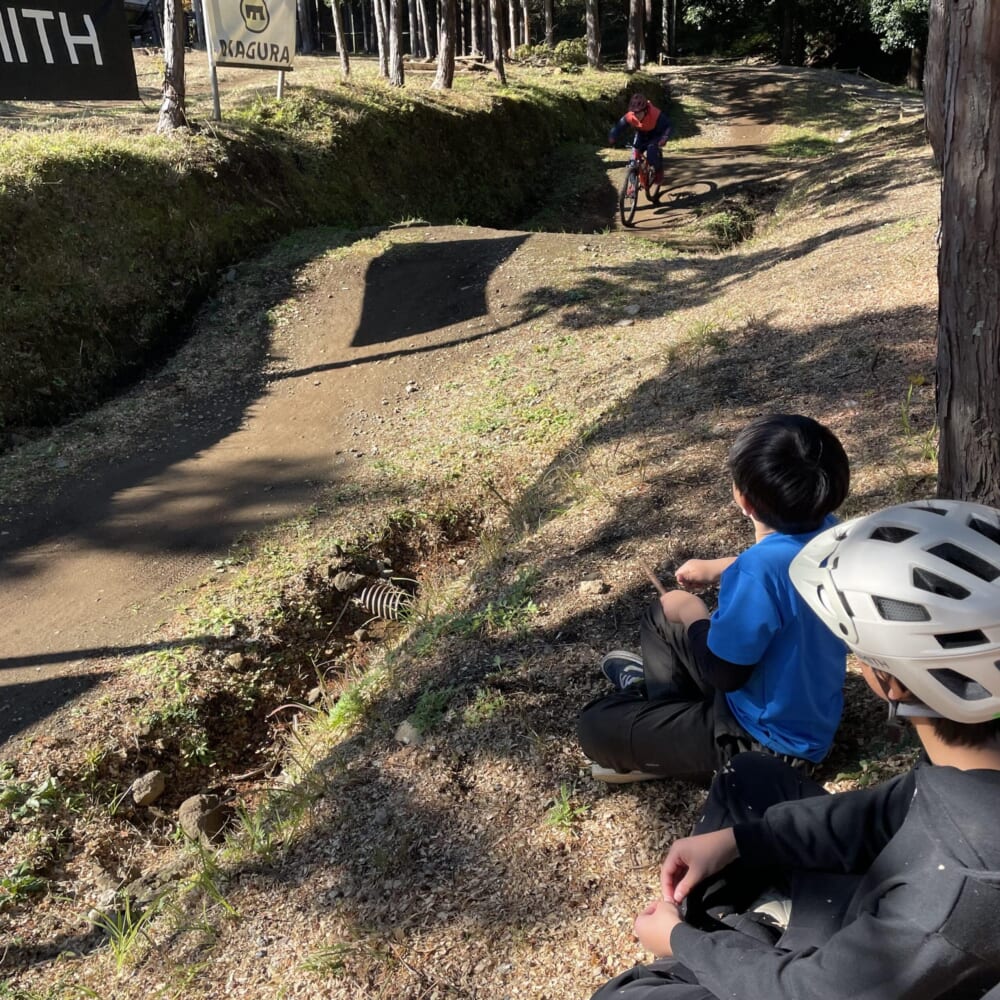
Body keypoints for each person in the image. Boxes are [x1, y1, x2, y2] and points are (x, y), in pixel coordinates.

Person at [592, 499, 1000, 1000]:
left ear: (891, 683)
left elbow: (810, 992)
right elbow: (888, 811)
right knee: (752, 775)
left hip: (847, 971)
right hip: (879, 927)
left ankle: (751, 934)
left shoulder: (952, 896)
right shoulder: (972, 763)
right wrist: (740, 841)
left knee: (629, 994)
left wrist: (683, 942)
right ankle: (752, 925)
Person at [578, 413, 850, 783]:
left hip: (766, 747)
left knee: (594, 726)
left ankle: (649, 716)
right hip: (804, 715)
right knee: (661, 615)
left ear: (744, 499)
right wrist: (720, 567)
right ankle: (664, 719)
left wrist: (694, 614)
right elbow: (788, 562)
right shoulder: (833, 532)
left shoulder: (757, 572)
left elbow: (724, 674)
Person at [608, 93, 672, 186]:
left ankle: (658, 172)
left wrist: (664, 138)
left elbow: (668, 126)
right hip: (641, 135)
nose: (636, 115)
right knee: (633, 159)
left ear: (645, 110)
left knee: (651, 154)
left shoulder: (655, 114)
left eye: (638, 112)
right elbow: (618, 127)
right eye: (634, 113)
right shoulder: (630, 116)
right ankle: (633, 183)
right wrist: (612, 136)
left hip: (655, 135)